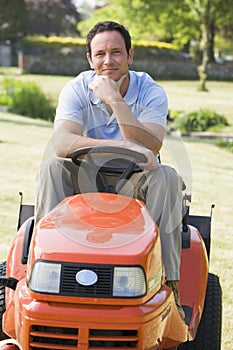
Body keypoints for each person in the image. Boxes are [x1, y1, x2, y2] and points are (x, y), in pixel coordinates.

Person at [35, 21, 185, 320]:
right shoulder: (76, 88)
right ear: (90, 60)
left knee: (166, 176)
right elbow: (63, 142)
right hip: (85, 177)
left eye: (116, 53)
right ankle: (41, 269)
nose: (108, 61)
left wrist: (114, 98)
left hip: (136, 180)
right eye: (100, 54)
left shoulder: (150, 90)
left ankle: (167, 283)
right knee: (52, 166)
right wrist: (125, 146)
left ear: (130, 55)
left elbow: (151, 144)